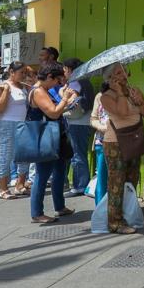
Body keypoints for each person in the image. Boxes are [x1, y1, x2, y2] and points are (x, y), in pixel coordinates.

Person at [100, 63, 144, 234]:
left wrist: (141, 101)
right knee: (117, 182)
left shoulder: (133, 90)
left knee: (132, 179)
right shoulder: (106, 97)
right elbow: (121, 113)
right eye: (118, 73)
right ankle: (114, 222)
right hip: (115, 142)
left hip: (134, 139)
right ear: (109, 78)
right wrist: (121, 93)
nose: (123, 75)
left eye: (123, 71)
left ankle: (130, 214)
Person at [27, 62, 77, 223]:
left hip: (56, 137)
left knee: (60, 173)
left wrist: (64, 101)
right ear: (49, 77)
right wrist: (65, 99)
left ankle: (60, 206)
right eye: (57, 81)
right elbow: (54, 113)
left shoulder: (45, 90)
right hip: (45, 137)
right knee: (42, 175)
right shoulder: (38, 92)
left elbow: (57, 109)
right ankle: (37, 213)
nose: (59, 84)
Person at [59, 58, 95, 197]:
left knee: (77, 154)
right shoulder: (84, 81)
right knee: (79, 153)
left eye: (64, 69)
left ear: (70, 69)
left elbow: (69, 100)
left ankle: (80, 185)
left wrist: (62, 93)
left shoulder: (75, 81)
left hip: (78, 122)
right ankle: (80, 183)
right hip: (83, 122)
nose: (64, 72)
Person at [0, 62, 30, 199]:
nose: (23, 75)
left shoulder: (24, 86)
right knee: (6, 155)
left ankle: (19, 185)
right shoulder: (4, 85)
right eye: (21, 72)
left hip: (22, 123)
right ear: (11, 72)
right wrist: (6, 91)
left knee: (24, 155)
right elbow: (0, 108)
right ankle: (3, 189)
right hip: (7, 123)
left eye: (24, 73)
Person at [90, 90, 109, 203]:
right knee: (102, 177)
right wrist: (102, 128)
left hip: (123, 141)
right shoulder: (100, 96)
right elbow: (93, 118)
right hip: (102, 141)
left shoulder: (128, 94)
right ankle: (100, 212)